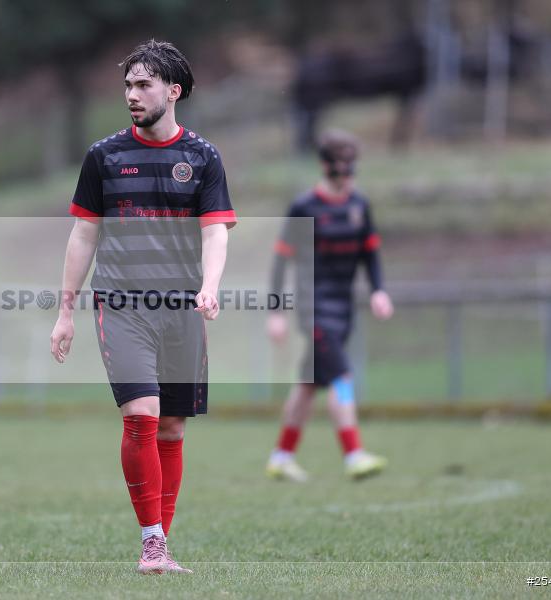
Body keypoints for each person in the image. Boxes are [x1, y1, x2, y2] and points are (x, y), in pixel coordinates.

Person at [50, 40, 236, 574]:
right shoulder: (103, 156)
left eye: (143, 85)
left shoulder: (202, 156)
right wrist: (65, 311)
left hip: (182, 308)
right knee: (142, 420)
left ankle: (161, 545)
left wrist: (210, 285)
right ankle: (152, 543)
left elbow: (216, 231)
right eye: (128, 85)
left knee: (173, 429)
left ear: (172, 91)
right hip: (122, 305)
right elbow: (84, 234)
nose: (131, 94)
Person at [266, 129, 393, 482]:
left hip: (344, 304)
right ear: (325, 167)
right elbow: (280, 261)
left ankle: (281, 456)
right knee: (342, 376)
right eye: (340, 168)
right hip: (313, 306)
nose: (347, 176)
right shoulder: (305, 207)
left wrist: (379, 290)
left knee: (308, 384)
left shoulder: (359, 205)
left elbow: (371, 253)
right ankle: (354, 454)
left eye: (351, 168)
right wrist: (275, 312)